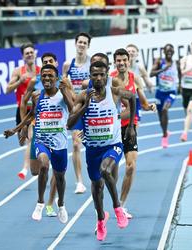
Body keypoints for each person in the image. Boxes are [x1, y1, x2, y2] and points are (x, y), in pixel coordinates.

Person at [67, 61, 136, 241]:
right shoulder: (83, 95)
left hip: (112, 145)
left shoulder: (114, 92)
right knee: (97, 187)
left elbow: (132, 97)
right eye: (95, 74)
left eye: (102, 74)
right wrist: (85, 105)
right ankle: (100, 219)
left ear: (107, 76)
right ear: (90, 76)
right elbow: (69, 123)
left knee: (106, 170)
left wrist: (130, 127)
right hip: (92, 150)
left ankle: (117, 208)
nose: (98, 78)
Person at [4, 64, 74, 223]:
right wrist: (16, 130)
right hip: (42, 140)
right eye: (44, 76)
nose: (47, 78)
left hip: (60, 143)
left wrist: (65, 92)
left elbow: (73, 110)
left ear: (56, 78)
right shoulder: (37, 96)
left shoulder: (63, 94)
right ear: (41, 79)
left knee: (60, 177)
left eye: (50, 76)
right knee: (43, 164)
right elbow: (31, 115)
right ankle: (40, 203)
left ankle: (61, 204)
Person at [20, 52, 66, 217]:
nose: (48, 63)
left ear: (56, 63)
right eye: (45, 62)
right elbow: (25, 103)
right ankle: (44, 201)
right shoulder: (35, 82)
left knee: (55, 170)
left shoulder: (63, 83)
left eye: (51, 61)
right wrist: (23, 127)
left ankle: (49, 203)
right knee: (36, 170)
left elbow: (72, 105)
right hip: (38, 130)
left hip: (58, 135)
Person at [112, 48, 156, 219]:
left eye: (124, 60)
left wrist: (149, 106)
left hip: (130, 127)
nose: (122, 63)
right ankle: (110, 202)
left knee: (131, 166)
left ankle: (121, 206)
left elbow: (142, 102)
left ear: (129, 61)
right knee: (111, 169)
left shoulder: (135, 78)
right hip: (114, 127)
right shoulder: (111, 79)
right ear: (115, 62)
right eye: (119, 60)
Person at [62, 32, 92, 194]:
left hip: (91, 108)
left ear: (88, 46)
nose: (81, 45)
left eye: (84, 42)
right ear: (75, 44)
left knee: (92, 143)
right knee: (75, 143)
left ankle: (96, 174)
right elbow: (63, 85)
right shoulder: (68, 65)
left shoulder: (92, 63)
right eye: (79, 42)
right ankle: (79, 181)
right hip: (76, 109)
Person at [6, 43, 41, 180]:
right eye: (27, 53)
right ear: (23, 57)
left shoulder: (40, 70)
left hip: (35, 110)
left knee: (30, 138)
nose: (30, 55)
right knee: (22, 140)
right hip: (22, 109)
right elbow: (8, 89)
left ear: (35, 54)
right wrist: (20, 81)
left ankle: (26, 168)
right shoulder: (18, 71)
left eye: (31, 52)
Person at [150, 44, 180, 148]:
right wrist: (163, 69)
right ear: (164, 52)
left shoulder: (176, 63)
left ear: (173, 52)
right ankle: (165, 131)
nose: (169, 52)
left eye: (171, 51)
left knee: (164, 110)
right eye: (167, 51)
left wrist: (180, 86)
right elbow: (151, 74)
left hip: (171, 92)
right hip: (160, 93)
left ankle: (164, 136)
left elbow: (180, 74)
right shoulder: (159, 61)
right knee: (160, 117)